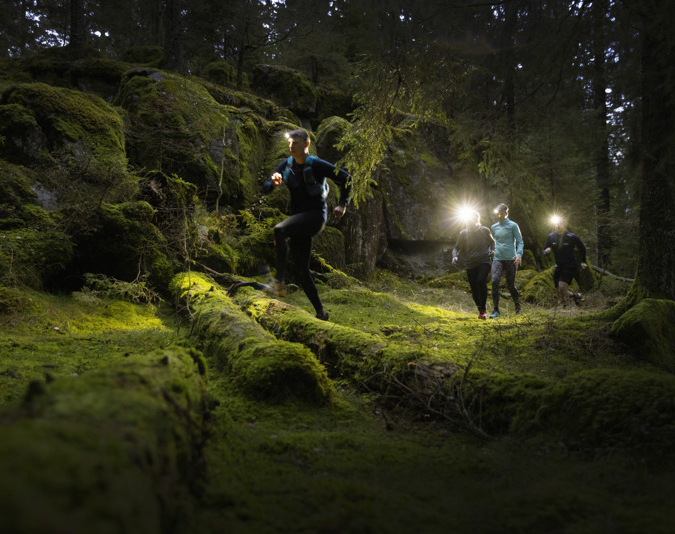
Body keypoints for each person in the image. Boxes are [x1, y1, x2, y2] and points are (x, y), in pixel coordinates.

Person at [262, 129, 352, 321]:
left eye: (295, 143)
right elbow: (265, 188)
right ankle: (321, 312)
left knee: (279, 229)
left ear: (306, 145)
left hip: (315, 217)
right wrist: (273, 182)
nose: (291, 146)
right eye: (290, 143)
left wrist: (343, 204)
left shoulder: (317, 164)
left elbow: (345, 178)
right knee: (302, 269)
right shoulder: (286, 165)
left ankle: (278, 282)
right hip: (298, 220)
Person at [452, 210, 496, 320]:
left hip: (484, 261)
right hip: (470, 263)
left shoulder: (485, 230)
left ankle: (484, 309)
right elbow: (456, 248)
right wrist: (454, 256)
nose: (471, 222)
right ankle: (481, 310)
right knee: (474, 287)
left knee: (481, 281)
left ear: (477, 220)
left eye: (473, 220)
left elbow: (492, 242)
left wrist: (493, 250)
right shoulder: (463, 233)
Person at [542, 216, 588, 307]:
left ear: (564, 225)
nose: (558, 225)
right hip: (558, 265)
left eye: (560, 224)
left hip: (570, 264)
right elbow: (544, 249)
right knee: (559, 291)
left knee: (562, 286)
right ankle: (576, 296)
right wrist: (545, 251)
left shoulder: (571, 236)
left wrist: (583, 261)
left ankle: (565, 308)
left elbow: (582, 248)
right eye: (556, 224)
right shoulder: (551, 236)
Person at [489, 203, 524, 318]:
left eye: (502, 213)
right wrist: (492, 250)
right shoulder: (494, 227)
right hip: (498, 258)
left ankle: (518, 307)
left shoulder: (513, 225)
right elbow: (493, 242)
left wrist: (519, 255)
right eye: (498, 213)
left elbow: (519, 241)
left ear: (506, 213)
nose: (500, 215)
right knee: (494, 282)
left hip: (511, 259)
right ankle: (496, 310)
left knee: (510, 285)